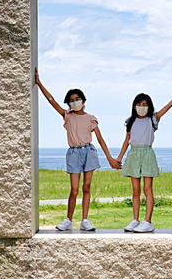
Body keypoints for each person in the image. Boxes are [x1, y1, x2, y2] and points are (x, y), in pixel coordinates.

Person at [35, 69, 120, 231]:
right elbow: (52, 101)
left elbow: (100, 140)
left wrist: (110, 158)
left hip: (89, 152)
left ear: (83, 101)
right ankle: (68, 219)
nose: (74, 102)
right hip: (74, 153)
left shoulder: (90, 118)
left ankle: (85, 220)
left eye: (77, 99)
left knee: (86, 187)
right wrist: (39, 83)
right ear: (68, 104)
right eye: (71, 100)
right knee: (74, 189)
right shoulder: (68, 115)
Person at [115, 83, 172, 233]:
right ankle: (135, 220)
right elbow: (127, 140)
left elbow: (169, 106)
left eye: (144, 104)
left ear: (149, 107)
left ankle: (148, 221)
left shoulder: (153, 118)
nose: (141, 107)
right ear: (134, 106)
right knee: (135, 190)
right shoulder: (130, 121)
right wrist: (119, 157)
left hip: (147, 154)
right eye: (139, 104)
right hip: (133, 154)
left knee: (147, 189)